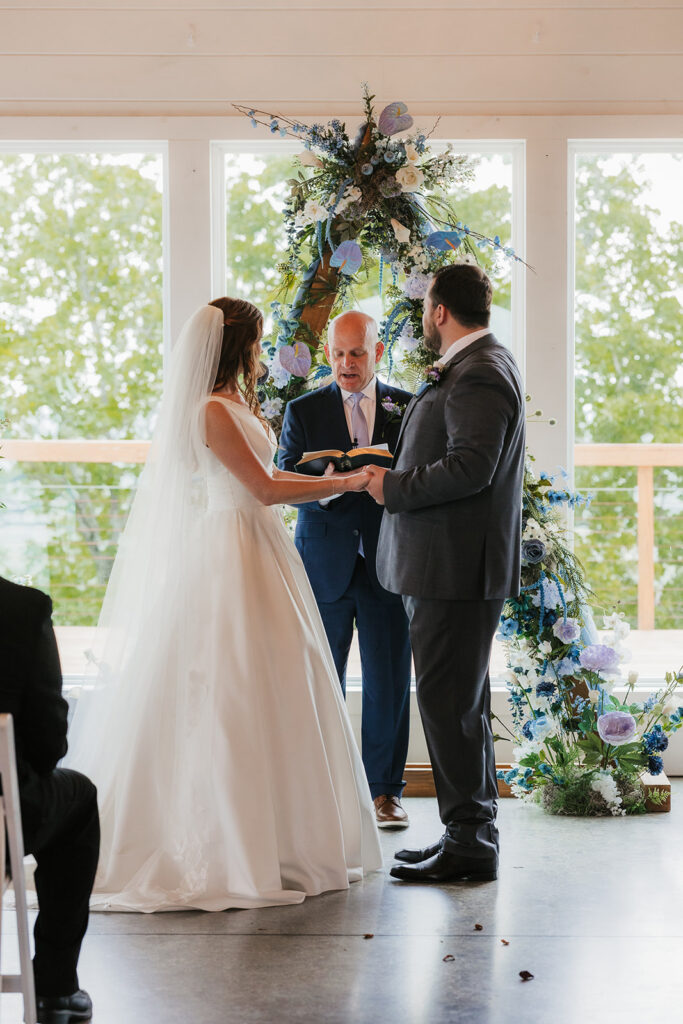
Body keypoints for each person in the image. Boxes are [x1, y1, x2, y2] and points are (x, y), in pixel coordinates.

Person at [65, 298, 382, 911]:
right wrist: (345, 481)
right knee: (228, 682)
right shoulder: (211, 410)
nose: (263, 350)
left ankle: (287, 836)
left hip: (262, 548)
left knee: (279, 681)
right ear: (237, 345)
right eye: (258, 340)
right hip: (230, 547)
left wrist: (324, 477)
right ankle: (228, 844)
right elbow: (262, 488)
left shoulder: (236, 401)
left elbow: (272, 477)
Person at [364, 264, 525, 883]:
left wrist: (392, 486)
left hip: (453, 572)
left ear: (439, 311)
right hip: (448, 567)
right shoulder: (478, 363)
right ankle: (471, 833)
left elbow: (471, 467)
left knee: (448, 704)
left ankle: (469, 843)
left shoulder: (479, 370)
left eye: (426, 306)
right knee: (460, 704)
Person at [278, 311, 413, 829]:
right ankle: (323, 791)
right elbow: (284, 479)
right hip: (323, 563)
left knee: (388, 682)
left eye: (356, 353)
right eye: (337, 354)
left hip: (388, 562)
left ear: (376, 352)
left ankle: (385, 794)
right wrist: (327, 486)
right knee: (320, 682)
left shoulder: (407, 406)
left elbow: (421, 476)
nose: (346, 364)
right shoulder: (303, 409)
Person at [0, 575, 98, 1023]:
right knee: (79, 796)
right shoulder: (20, 608)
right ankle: (55, 988)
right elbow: (47, 745)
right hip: (2, 825)